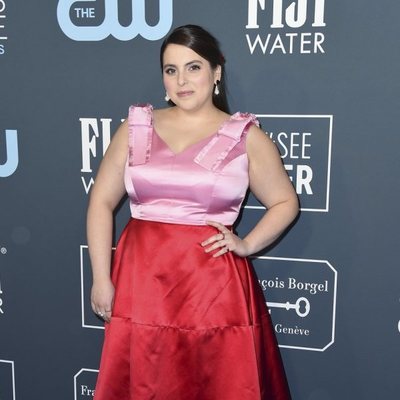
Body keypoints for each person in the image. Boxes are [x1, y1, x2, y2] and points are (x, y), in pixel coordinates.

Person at [87, 24, 298, 400]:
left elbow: (285, 202)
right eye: (171, 70)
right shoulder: (136, 128)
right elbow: (101, 202)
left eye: (193, 67)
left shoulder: (246, 136)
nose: (181, 80)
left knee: (216, 382)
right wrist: (101, 277)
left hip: (211, 288)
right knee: (147, 381)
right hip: (142, 282)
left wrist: (247, 244)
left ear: (217, 72)